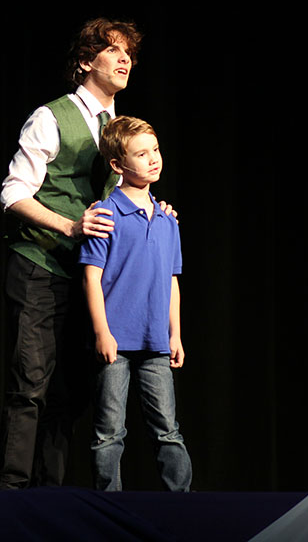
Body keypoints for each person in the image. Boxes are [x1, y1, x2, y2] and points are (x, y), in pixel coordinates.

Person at [0, 18, 145, 489]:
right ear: (84, 62)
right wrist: (69, 225)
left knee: (72, 390)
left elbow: (125, 195)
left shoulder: (118, 129)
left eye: (129, 53)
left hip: (88, 275)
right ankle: (11, 490)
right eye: (112, 50)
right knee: (30, 382)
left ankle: (52, 493)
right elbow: (12, 193)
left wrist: (158, 214)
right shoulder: (51, 116)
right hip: (39, 264)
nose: (125, 59)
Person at [79, 115, 191, 491]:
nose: (152, 159)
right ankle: (108, 506)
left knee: (168, 431)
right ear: (118, 165)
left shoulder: (167, 220)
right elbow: (91, 277)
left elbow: (172, 281)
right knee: (109, 432)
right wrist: (102, 333)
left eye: (154, 150)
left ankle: (182, 502)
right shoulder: (106, 214)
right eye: (141, 154)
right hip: (116, 342)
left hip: (156, 343)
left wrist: (175, 334)